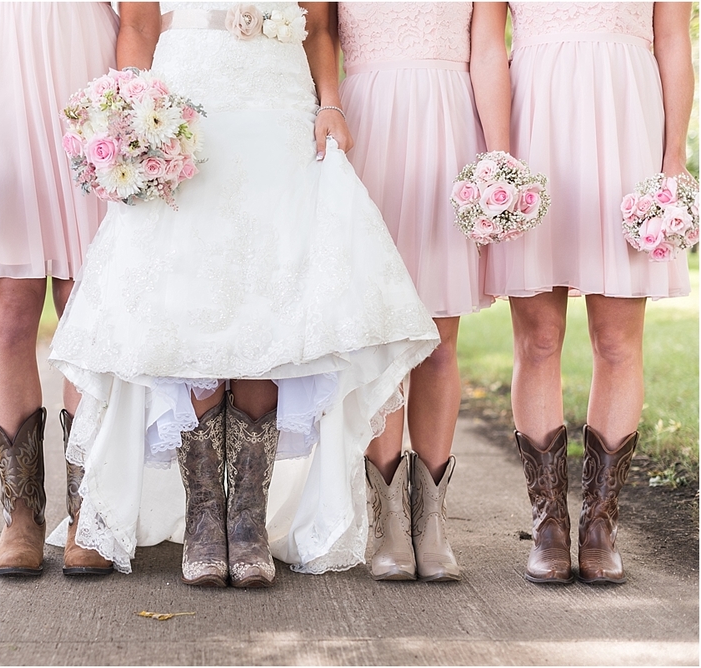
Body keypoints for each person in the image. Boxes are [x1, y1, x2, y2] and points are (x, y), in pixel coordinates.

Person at [48, 1, 440, 587]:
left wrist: (328, 103)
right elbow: (135, 25)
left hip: (279, 109)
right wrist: (134, 110)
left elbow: (322, 26)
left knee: (269, 298)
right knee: (194, 301)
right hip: (187, 101)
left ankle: (247, 519)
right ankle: (206, 515)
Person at [472, 2, 694, 584]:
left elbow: (672, 40)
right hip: (534, 119)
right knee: (538, 339)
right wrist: (498, 156)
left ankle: (600, 523)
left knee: (618, 340)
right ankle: (549, 523)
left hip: (627, 123)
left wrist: (672, 163)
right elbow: (490, 44)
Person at [0, 2, 118, 577]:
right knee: (8, 310)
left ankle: (91, 510)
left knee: (89, 306)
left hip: (89, 76)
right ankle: (21, 513)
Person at [336, 2, 505, 582]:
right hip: (366, 127)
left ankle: (430, 520)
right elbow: (317, 33)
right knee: (382, 335)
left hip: (449, 127)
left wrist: (498, 156)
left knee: (439, 336)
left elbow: (488, 50)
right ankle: (386, 521)